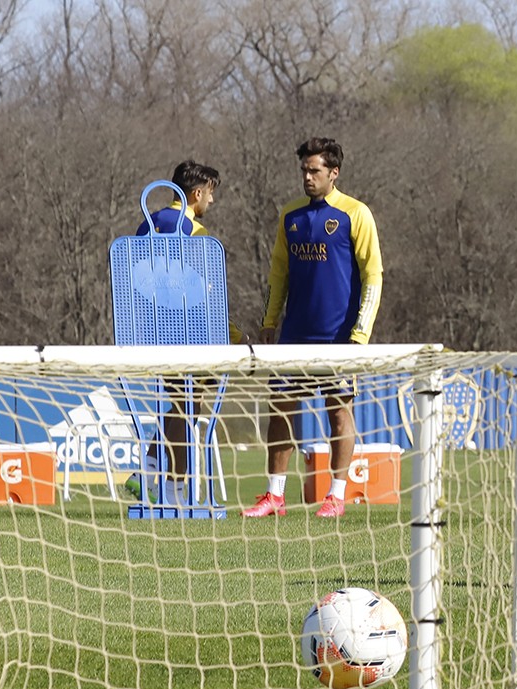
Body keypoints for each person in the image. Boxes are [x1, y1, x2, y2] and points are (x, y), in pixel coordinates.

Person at [243, 137, 384, 519]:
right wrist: (270, 321)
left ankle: (335, 495)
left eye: (314, 170)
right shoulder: (290, 216)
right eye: (304, 170)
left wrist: (361, 333)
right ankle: (275, 496)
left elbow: (373, 274)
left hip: (338, 337)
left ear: (333, 173)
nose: (307, 177)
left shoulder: (356, 214)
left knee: (338, 411)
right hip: (294, 335)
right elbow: (278, 273)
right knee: (281, 409)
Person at [124, 160, 247, 506]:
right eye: (211, 194)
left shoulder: (147, 226)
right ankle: (168, 485)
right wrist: (235, 336)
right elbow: (209, 295)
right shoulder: (196, 234)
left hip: (148, 329)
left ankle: (150, 472)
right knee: (187, 406)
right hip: (189, 333)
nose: (213, 202)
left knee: (180, 405)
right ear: (196, 193)